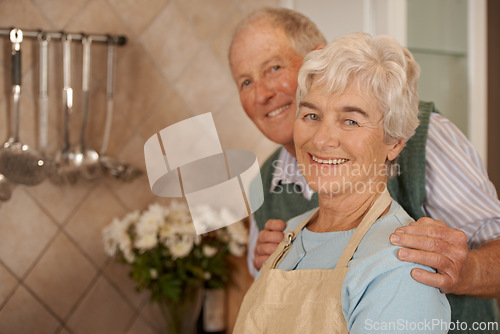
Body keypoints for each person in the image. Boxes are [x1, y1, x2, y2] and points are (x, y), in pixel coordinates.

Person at [229, 7, 500, 330]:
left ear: (316, 57)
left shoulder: (426, 139)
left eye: (273, 67)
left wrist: (468, 269)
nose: (262, 93)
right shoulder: (266, 182)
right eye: (245, 81)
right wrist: (274, 264)